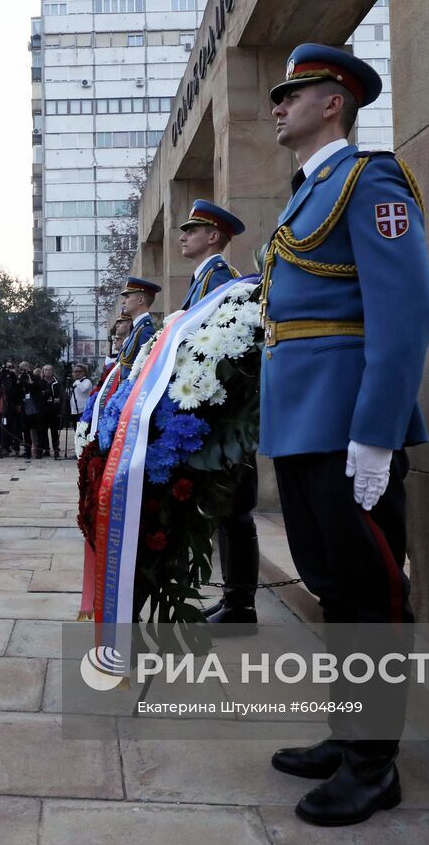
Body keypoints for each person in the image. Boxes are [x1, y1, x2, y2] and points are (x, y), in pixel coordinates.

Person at [260, 44, 429, 826]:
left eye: (292, 93)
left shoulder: (370, 181)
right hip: (302, 424)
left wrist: (375, 432)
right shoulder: (305, 194)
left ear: (334, 101)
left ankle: (374, 765)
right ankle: (349, 730)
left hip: (346, 426)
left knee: (370, 591)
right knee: (333, 584)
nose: (277, 105)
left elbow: (405, 314)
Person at [169, 200, 260, 626]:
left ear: (214, 237)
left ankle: (241, 604)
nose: (182, 235)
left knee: (235, 511)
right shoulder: (203, 280)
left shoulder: (221, 281)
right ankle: (235, 600)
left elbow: (224, 350)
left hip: (226, 421)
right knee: (226, 512)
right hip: (214, 418)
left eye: (192, 229)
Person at [116, 277, 160, 379]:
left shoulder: (145, 330)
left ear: (140, 300)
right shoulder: (137, 329)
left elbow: (147, 371)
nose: (123, 301)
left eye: (127, 297)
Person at [37, 364, 63, 458]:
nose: (47, 371)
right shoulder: (40, 383)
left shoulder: (57, 383)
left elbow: (61, 394)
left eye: (49, 369)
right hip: (43, 409)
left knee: (54, 431)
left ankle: (56, 449)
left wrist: (58, 399)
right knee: (42, 431)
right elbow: (38, 395)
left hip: (53, 409)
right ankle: (45, 449)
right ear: (43, 372)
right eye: (45, 370)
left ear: (52, 371)